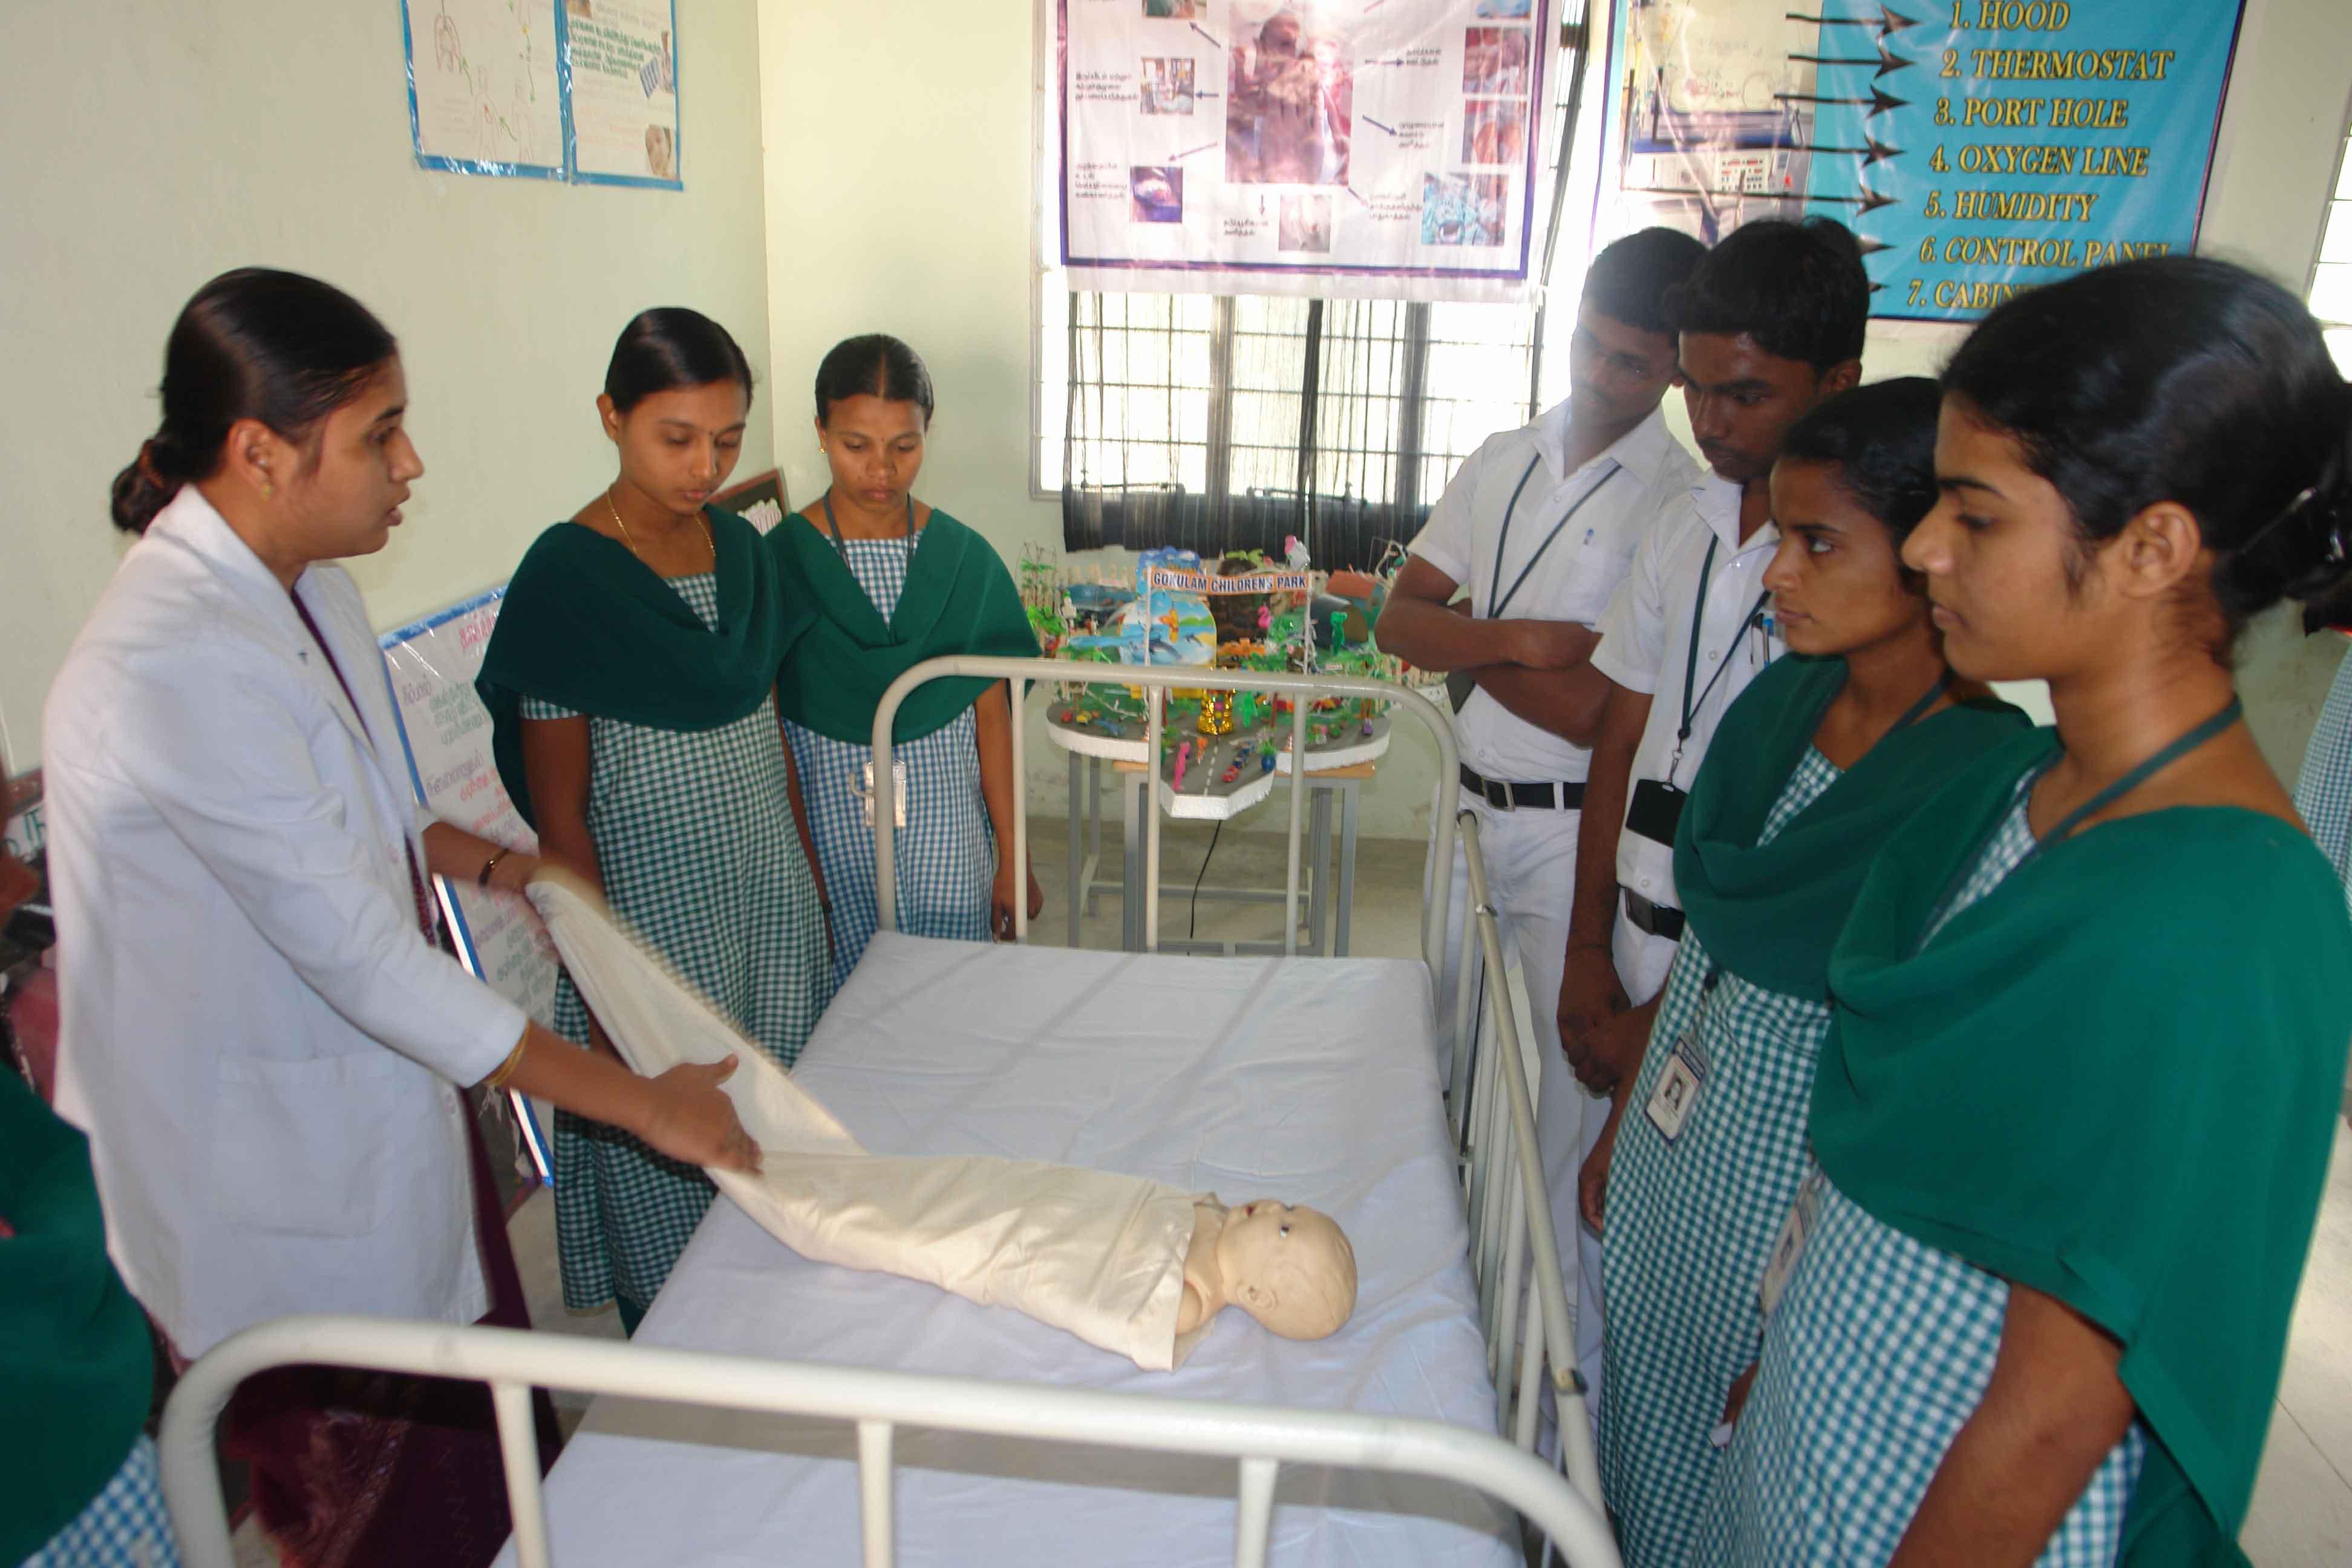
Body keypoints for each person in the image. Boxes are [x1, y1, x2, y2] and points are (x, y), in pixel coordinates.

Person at [44, 269, 757, 1566]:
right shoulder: (171, 664)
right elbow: (365, 961)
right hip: (264, 1157)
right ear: (260, 451)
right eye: (380, 433)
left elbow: (375, 817)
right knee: (377, 1495)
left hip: (374, 1103)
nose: (411, 462)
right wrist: (644, 1101)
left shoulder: (307, 584)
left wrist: (512, 868)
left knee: (482, 1430)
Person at [1691, 256, 2352, 1566]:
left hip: (1955, 1509)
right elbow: (1870, 1172)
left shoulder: (2222, 913)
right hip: (1827, 1432)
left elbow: (2057, 1413)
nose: (1927, 548)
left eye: (1977, 518)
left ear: (2152, 547)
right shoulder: (2023, 804)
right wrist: (1780, 1355)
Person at [1592, 379, 2028, 1565]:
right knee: (1637, 1448)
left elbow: (1912, 1094)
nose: (1778, 572)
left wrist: (1811, 1306)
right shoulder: (1781, 703)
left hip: (1788, 1209)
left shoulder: (1980, 789)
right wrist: (1623, 1125)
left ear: (1931, 552)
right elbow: (1701, 949)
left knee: (1738, 1496)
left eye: (1819, 542)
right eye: (1782, 536)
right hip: (1673, 1168)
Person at [1373, 224, 1705, 1407]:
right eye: (1589, 348)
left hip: (1574, 833)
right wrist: (1511, 638)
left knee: (1554, 1137)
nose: (1600, 377)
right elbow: (1394, 619)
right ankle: (1456, 1352)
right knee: (1456, 1084)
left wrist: (1462, 646)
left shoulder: (1680, 504)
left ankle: (1557, 1423)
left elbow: (1586, 719)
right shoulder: (1506, 453)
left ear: (1674, 367)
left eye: (1631, 362)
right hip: (1467, 808)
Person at [476, 309, 829, 1339]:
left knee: (777, 1127)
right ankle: (677, 1350)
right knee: (669, 1133)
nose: (706, 466)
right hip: (653, 923)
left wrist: (805, 877)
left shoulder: (743, 552)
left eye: (727, 439)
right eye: (676, 437)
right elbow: (562, 817)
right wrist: (603, 963)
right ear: (611, 417)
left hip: (767, 898)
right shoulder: (567, 580)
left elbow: (772, 731)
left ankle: (787, 1329)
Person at [1555, 217, 1868, 1167]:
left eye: (1746, 394)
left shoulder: (1856, 578)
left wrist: (1662, 1017)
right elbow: (1622, 735)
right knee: (1587, 1205)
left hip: (1743, 977)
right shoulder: (1682, 528)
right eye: (1694, 387)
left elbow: (1805, 846)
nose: (1710, 421)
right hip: (1632, 930)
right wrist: (1586, 947)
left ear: (1836, 385)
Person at [770, 335, 1040, 986]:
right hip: (832, 845)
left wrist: (1013, 856)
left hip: (947, 843)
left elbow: (993, 724)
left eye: (905, 447)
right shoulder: (782, 563)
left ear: (928, 434)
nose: (882, 471)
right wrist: (803, 875)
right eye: (855, 446)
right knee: (844, 1019)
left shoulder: (964, 563)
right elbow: (772, 740)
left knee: (950, 1006)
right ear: (820, 432)